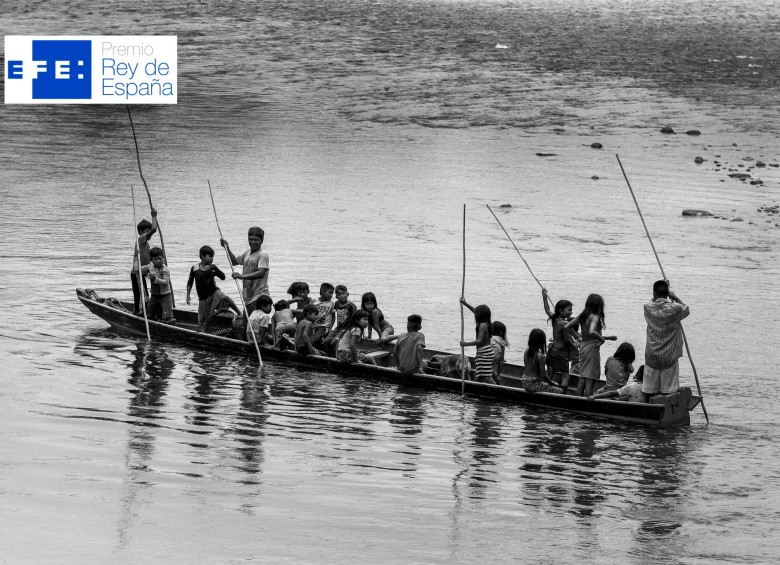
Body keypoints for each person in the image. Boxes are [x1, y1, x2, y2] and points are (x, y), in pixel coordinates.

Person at [643, 280, 690, 396]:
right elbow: (686, 309)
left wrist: (664, 291)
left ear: (654, 294)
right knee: (668, 393)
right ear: (667, 294)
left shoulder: (647, 308)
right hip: (669, 356)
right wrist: (674, 296)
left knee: (650, 392)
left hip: (651, 356)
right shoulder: (675, 309)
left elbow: (652, 300)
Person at [564, 293, 617, 397]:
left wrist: (578, 337)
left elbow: (567, 327)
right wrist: (602, 340)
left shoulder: (582, 316)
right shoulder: (595, 317)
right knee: (590, 381)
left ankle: (578, 400)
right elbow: (592, 331)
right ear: (599, 306)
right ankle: (588, 402)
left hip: (584, 347)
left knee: (582, 378)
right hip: (592, 350)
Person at [186, 245, 240, 331]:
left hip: (214, 293)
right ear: (203, 256)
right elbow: (190, 282)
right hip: (203, 298)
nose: (212, 259)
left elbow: (223, 277)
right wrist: (188, 295)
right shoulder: (195, 268)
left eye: (213, 257)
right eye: (210, 256)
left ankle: (239, 312)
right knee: (203, 323)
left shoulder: (212, 268)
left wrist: (215, 268)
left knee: (223, 296)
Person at [220, 226, 269, 315]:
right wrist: (226, 248)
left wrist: (242, 276)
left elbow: (261, 273)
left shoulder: (262, 255)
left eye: (256, 240)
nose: (253, 242)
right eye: (251, 239)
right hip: (248, 297)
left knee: (254, 324)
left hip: (259, 296)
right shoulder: (247, 252)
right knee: (246, 324)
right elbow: (234, 261)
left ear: (261, 241)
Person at [542, 288, 575, 389]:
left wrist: (544, 297)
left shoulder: (555, 319)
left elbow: (547, 310)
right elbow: (567, 340)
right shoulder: (565, 323)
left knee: (550, 374)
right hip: (561, 353)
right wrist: (574, 344)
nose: (571, 312)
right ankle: (562, 394)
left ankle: (545, 390)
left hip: (552, 352)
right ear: (561, 310)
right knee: (565, 377)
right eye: (569, 310)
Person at [459, 298, 496, 385]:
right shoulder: (484, 322)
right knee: (479, 376)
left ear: (480, 315)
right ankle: (476, 390)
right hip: (482, 352)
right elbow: (475, 310)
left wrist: (465, 344)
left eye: (477, 313)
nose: (475, 314)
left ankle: (498, 390)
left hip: (485, 353)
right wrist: (465, 304)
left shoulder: (483, 325)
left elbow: (479, 341)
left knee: (488, 377)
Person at [130, 208, 158, 315]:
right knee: (142, 294)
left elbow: (148, 257)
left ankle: (142, 311)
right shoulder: (141, 239)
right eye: (147, 231)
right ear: (141, 232)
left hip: (142, 273)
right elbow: (154, 229)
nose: (149, 234)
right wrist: (154, 216)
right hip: (137, 274)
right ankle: (141, 313)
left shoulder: (145, 244)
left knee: (143, 293)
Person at [522, 329, 563, 394]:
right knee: (559, 390)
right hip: (533, 384)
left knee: (546, 385)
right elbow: (543, 375)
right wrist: (552, 383)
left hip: (525, 382)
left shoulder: (526, 351)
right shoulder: (540, 356)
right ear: (542, 342)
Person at [142, 247, 175, 323]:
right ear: (151, 260)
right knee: (149, 314)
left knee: (168, 317)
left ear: (163, 258)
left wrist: (155, 279)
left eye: (160, 258)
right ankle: (155, 319)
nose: (158, 261)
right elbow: (141, 269)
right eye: (155, 259)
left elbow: (166, 282)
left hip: (165, 295)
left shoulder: (165, 270)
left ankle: (166, 321)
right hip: (154, 295)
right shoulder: (150, 267)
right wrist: (138, 267)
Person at [322, 285, 357, 356]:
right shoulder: (336, 303)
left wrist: (350, 332)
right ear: (336, 296)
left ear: (347, 294)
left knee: (334, 343)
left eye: (343, 294)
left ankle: (337, 358)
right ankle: (329, 357)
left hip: (346, 330)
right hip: (338, 328)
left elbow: (355, 320)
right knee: (325, 342)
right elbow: (333, 316)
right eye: (339, 294)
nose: (341, 296)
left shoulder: (351, 306)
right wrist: (330, 328)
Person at [312, 283, 336, 348]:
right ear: (322, 291)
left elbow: (333, 317)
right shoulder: (314, 301)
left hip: (324, 326)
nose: (331, 295)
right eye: (330, 293)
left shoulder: (331, 303)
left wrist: (330, 328)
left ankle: (319, 353)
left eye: (332, 293)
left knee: (316, 339)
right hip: (314, 326)